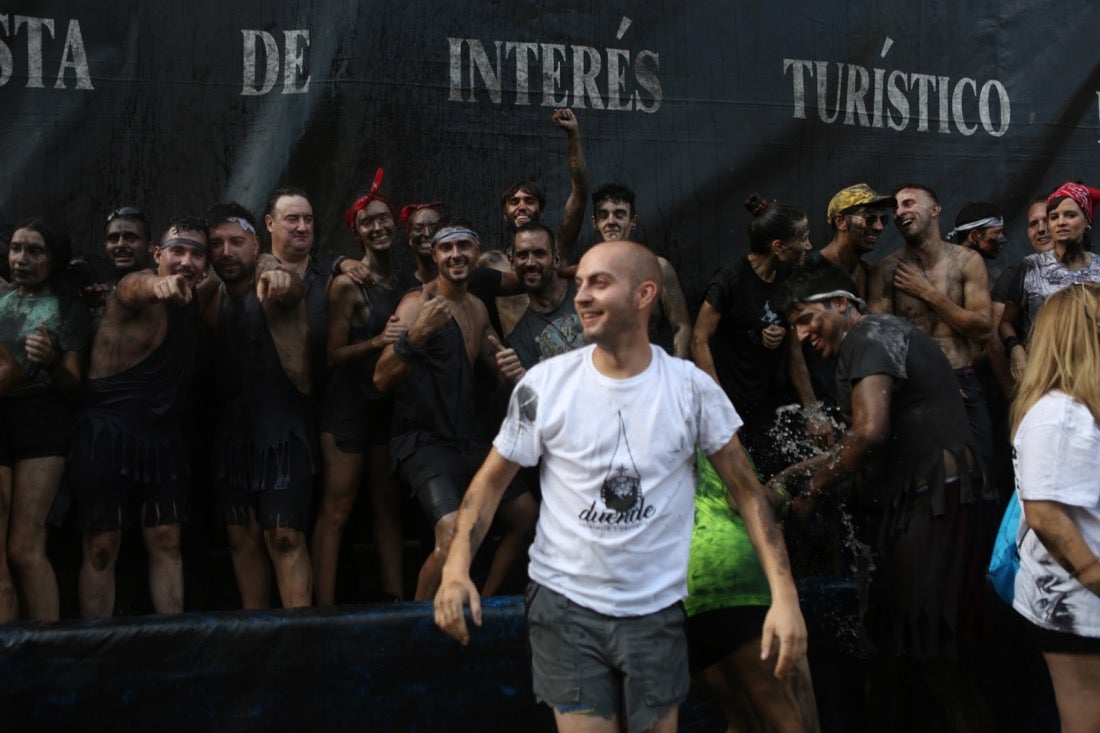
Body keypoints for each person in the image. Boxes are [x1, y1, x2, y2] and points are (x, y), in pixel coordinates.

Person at [435, 240, 806, 733]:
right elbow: (488, 485)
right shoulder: (543, 386)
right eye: (580, 283)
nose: (581, 297)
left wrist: (785, 599)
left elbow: (748, 492)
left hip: (658, 610)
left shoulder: (691, 389)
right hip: (565, 604)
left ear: (644, 294)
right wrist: (457, 568)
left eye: (599, 283)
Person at [776, 258, 995, 732]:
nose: (802, 336)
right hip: (923, 504)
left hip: (936, 501)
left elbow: (870, 435)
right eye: (793, 326)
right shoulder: (868, 340)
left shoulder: (869, 336)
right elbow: (857, 442)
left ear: (840, 303)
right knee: (896, 653)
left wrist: (811, 489)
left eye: (806, 320)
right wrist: (794, 473)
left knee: (932, 654)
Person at [374, 220, 537, 601]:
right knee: (450, 535)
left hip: (467, 439)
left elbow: (493, 372)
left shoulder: (478, 308)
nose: (456, 255)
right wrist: (417, 334)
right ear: (435, 255)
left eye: (464, 246)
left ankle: (488, 602)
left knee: (526, 516)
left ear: (476, 254)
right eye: (447, 248)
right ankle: (413, 628)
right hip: (422, 441)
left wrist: (509, 372)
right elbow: (381, 378)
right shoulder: (416, 304)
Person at [70, 217, 208, 618]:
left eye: (197, 254)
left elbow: (254, 267)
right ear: (156, 254)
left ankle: (176, 645)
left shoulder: (200, 293)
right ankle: (97, 649)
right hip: (107, 433)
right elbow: (134, 287)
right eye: (177, 250)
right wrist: (156, 284)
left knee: (167, 539)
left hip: (161, 437)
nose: (186, 261)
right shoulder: (133, 290)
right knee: (100, 545)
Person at [202, 202, 315, 609]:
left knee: (285, 537)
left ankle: (300, 641)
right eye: (217, 244)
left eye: (236, 242)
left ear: (255, 243)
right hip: (234, 438)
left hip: (283, 432)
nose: (227, 252)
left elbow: (290, 286)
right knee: (241, 539)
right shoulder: (210, 294)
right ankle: (258, 638)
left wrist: (281, 278)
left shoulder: (271, 280)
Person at [312, 178, 417, 605]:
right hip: (346, 408)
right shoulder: (347, 284)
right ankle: (321, 610)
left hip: (384, 408)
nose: (377, 227)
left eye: (382, 219)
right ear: (356, 233)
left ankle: (395, 598)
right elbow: (333, 355)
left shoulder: (399, 282)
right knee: (337, 510)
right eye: (366, 222)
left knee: (387, 508)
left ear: (395, 224)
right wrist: (378, 342)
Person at [1010, 282, 1100, 732]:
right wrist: (1094, 575)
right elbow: (1044, 514)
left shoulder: (1076, 407)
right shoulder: (1058, 415)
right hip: (1075, 607)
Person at [686, 450, 821, 733]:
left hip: (683, 589)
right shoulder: (712, 423)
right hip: (737, 575)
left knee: (742, 722)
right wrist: (784, 490)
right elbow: (745, 499)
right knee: (792, 723)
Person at [869, 182, 994, 480]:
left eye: (909, 203)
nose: (899, 213)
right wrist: (932, 381)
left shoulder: (967, 261)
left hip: (963, 379)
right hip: (913, 387)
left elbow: (983, 329)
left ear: (935, 209)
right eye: (896, 208)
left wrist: (927, 292)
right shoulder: (886, 270)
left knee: (983, 472)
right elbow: (881, 341)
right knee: (924, 480)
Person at [0, 218, 90, 621]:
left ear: (54, 259)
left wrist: (52, 363)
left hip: (43, 423)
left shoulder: (68, 307)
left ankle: (49, 651)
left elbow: (75, 388)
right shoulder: (1, 302)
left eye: (33, 251)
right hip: (2, 419)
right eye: (16, 248)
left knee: (24, 548)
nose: (21, 258)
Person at [691, 194, 812, 479]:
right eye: (803, 238)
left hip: (770, 406)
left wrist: (813, 412)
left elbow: (795, 349)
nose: (809, 245)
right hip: (734, 406)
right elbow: (699, 340)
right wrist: (719, 407)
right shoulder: (730, 280)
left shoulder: (787, 277)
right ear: (778, 247)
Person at [999, 182, 1100, 383]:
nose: (1060, 222)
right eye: (1054, 217)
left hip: (1091, 376)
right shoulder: (1030, 267)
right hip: (1043, 376)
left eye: (1070, 215)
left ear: (1087, 221)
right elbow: (1005, 323)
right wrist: (1015, 349)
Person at [590, 183, 692, 357]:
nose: (611, 221)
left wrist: (674, 375)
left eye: (620, 214)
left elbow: (682, 328)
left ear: (633, 221)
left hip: (648, 374)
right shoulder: (586, 276)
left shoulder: (658, 269)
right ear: (595, 223)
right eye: (603, 215)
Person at [493, 222, 584, 384]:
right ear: (511, 262)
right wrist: (518, 378)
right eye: (522, 255)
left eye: (539, 254)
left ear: (556, 259)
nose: (530, 263)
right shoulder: (518, 342)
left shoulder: (587, 292)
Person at [500, 108, 589, 260]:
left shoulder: (556, 249)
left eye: (529, 201)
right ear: (504, 214)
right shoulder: (494, 262)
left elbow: (579, 192)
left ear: (541, 214)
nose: (522, 207)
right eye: (514, 202)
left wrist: (573, 135)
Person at [80, 206, 154, 318]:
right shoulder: (98, 295)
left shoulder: (162, 289)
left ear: (150, 247)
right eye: (113, 239)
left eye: (130, 238)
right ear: (105, 247)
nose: (120, 244)